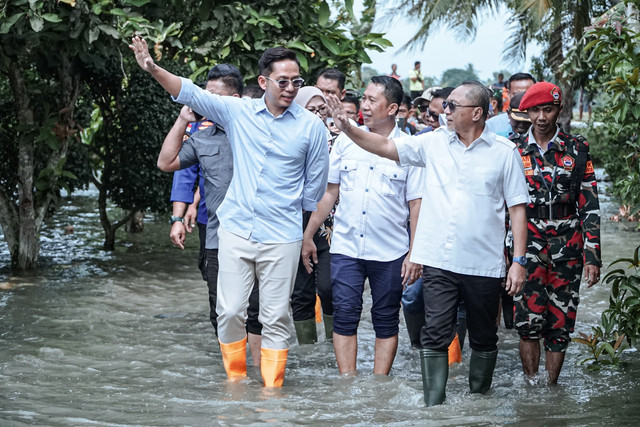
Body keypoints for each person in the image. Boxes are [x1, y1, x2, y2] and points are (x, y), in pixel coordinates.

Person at [130, 37, 329, 388]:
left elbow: (313, 192)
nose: (290, 88)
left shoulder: (311, 128)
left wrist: (305, 235)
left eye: (296, 81)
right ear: (264, 82)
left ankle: (271, 394)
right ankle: (235, 386)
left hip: (282, 235)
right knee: (230, 311)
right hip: (235, 229)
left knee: (275, 317)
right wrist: (152, 67)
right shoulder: (239, 112)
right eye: (283, 81)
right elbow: (191, 93)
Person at [326, 80, 529, 406]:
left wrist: (519, 261)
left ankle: (479, 404)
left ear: (476, 113)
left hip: (484, 262)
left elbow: (518, 209)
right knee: (434, 334)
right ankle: (434, 407)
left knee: (484, 336)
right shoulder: (433, 142)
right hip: (438, 259)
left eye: (452, 106)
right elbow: (383, 147)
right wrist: (346, 126)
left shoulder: (504, 153)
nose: (444, 111)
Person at [302, 76, 424, 375]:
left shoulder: (410, 149)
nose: (364, 106)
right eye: (364, 99)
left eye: (372, 101)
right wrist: (307, 235)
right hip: (346, 246)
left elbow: (417, 205)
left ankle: (379, 384)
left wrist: (415, 253)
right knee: (344, 315)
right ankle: (347, 383)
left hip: (392, 250)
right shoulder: (344, 142)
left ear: (393, 107)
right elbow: (330, 193)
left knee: (385, 318)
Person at [165, 65, 263, 366]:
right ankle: (234, 371)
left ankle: (262, 370)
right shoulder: (200, 132)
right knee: (219, 303)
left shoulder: (259, 131)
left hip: (256, 229)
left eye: (213, 97)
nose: (205, 102)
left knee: (258, 305)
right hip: (214, 225)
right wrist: (178, 216)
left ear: (234, 99)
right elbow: (183, 173)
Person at [511, 82, 601, 384]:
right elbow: (502, 207)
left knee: (560, 322)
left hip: (569, 247)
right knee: (527, 321)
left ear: (558, 111)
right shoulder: (513, 149)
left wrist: (593, 257)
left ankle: (550, 389)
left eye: (547, 109)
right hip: (528, 244)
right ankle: (530, 385)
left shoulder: (577, 149)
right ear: (527, 112)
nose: (540, 117)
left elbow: (589, 203)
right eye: (535, 110)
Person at [290, 86, 335, 344]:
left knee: (328, 287)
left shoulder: (340, 140)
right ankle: (307, 350)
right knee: (300, 292)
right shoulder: (289, 138)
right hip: (294, 222)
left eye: (322, 109)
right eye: (311, 110)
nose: (318, 115)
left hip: (330, 226)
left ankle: (333, 343)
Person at [485, 73, 536, 137]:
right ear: (508, 94)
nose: (522, 98)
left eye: (527, 94)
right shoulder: (491, 125)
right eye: (516, 94)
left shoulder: (542, 123)